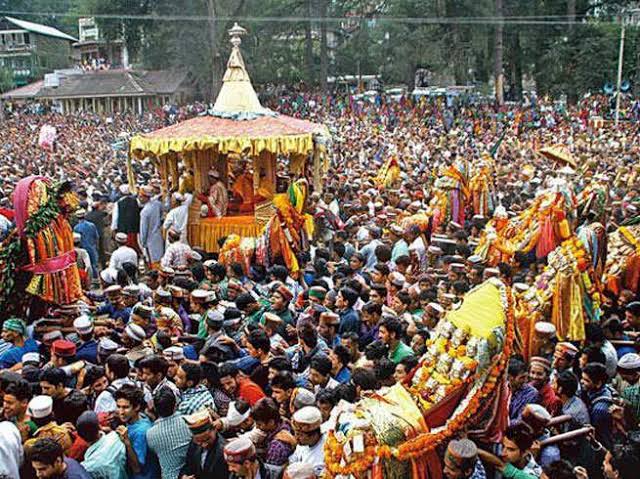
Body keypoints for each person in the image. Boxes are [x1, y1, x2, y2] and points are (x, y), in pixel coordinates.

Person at [146, 387, 192, 479]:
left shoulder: (150, 434)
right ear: (175, 404)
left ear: (155, 408)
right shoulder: (188, 422)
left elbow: (154, 452)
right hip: (191, 473)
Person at [114, 384, 157, 479]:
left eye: (125, 407)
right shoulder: (140, 417)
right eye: (118, 406)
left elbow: (137, 468)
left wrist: (127, 442)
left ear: (136, 407)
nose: (121, 412)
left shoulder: (140, 432)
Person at [180, 409, 229, 479]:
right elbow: (188, 465)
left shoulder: (223, 451)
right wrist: (184, 476)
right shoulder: (194, 444)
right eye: (199, 441)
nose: (203, 444)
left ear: (215, 429)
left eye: (207, 439)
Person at [581, 362, 614, 449]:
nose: (582, 382)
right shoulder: (595, 390)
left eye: (586, 380)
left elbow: (598, 434)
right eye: (582, 378)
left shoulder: (599, 409)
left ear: (598, 383)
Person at [288, 406, 326, 477]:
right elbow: (292, 461)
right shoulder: (301, 445)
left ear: (313, 435)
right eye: (295, 433)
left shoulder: (327, 450)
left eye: (300, 435)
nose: (296, 438)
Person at [138, 185, 164, 269]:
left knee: (153, 260)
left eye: (141, 197)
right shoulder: (157, 204)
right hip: (158, 236)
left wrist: (143, 242)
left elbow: (143, 230)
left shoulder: (145, 211)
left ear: (146, 197)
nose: (139, 198)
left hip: (150, 239)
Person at [508, 358, 540, 423]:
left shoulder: (531, 393)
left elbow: (520, 421)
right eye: (522, 378)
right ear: (510, 378)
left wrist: (502, 425)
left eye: (526, 377)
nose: (525, 381)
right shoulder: (502, 389)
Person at [74, 209, 100, 279]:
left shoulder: (76, 228)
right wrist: (96, 247)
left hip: (83, 249)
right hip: (92, 248)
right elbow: (97, 237)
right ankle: (96, 280)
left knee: (84, 266)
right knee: (94, 265)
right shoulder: (92, 225)